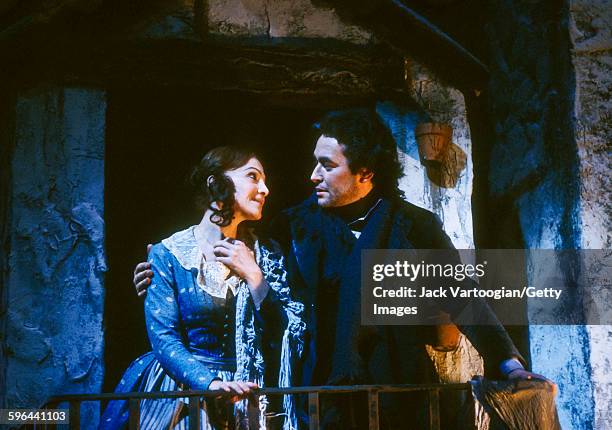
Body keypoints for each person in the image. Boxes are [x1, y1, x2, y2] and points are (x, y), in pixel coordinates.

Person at [134, 109, 555, 428]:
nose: (313, 174)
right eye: (316, 161)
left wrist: (510, 364)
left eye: (328, 165)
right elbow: (258, 281)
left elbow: (463, 298)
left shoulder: (413, 226)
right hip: (317, 394)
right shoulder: (293, 225)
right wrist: (164, 274)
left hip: (395, 392)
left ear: (366, 172)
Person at [102, 146, 305, 430]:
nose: (265, 189)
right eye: (253, 176)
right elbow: (164, 338)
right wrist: (210, 383)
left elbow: (283, 334)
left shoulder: (267, 255)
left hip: (247, 390)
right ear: (215, 182)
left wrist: (254, 275)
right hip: (181, 391)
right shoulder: (169, 253)